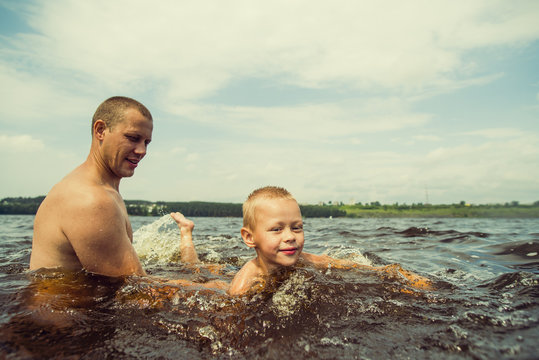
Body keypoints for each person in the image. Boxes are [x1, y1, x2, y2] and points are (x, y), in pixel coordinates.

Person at [171, 186, 431, 296]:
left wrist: (396, 275)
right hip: (221, 284)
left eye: (297, 227)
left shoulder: (304, 259)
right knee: (197, 274)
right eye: (276, 229)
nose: (290, 237)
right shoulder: (244, 283)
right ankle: (186, 233)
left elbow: (346, 265)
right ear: (250, 238)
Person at [30, 96, 153, 277]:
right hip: (66, 305)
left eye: (146, 142)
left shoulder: (104, 190)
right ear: (101, 130)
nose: (142, 151)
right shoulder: (90, 200)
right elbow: (137, 291)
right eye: (133, 138)